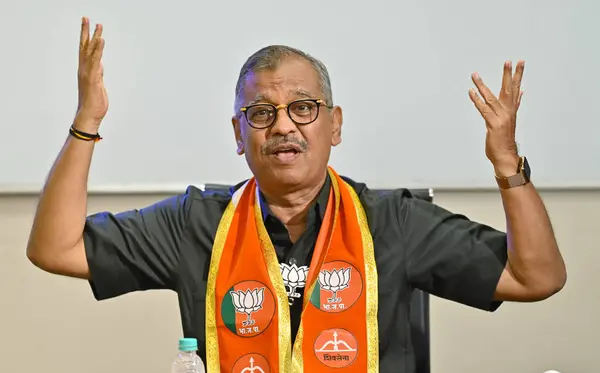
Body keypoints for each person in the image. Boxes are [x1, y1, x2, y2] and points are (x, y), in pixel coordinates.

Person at [26, 17, 566, 373]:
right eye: (261, 113)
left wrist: (506, 166)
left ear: (334, 126)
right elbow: (56, 249)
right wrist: (86, 123)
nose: (283, 126)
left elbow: (536, 277)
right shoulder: (197, 222)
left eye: (302, 108)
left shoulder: (394, 222)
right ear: (239, 136)